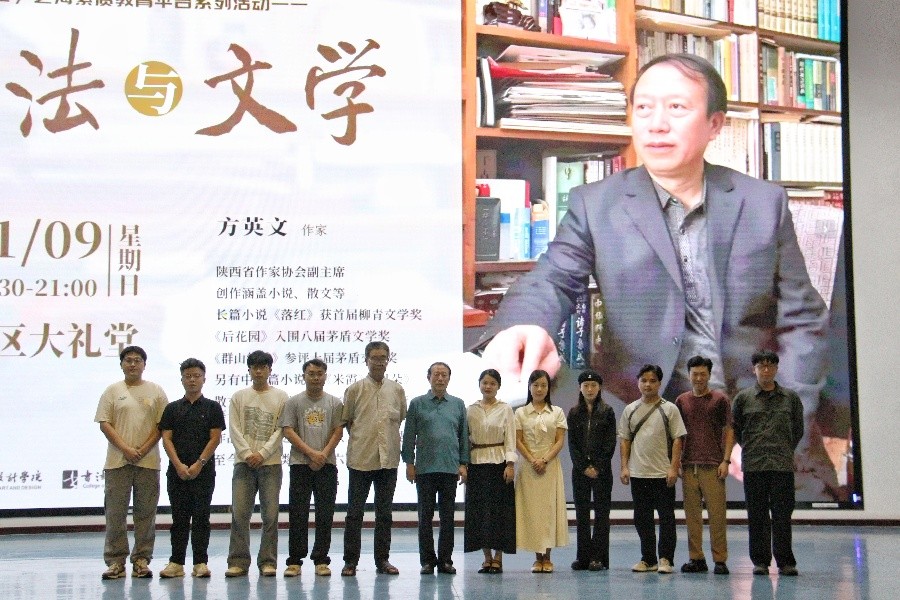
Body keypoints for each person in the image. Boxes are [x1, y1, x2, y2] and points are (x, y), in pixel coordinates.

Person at [477, 52, 835, 500]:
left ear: (715, 124)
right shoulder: (596, 203)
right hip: (637, 416)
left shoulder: (763, 203)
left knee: (798, 526)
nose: (656, 124)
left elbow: (803, 321)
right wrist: (522, 326)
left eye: (676, 108)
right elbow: (552, 279)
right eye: (643, 108)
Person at [95, 345, 168, 580]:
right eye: (128, 360)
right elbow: (105, 423)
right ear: (121, 365)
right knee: (115, 513)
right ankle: (115, 561)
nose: (133, 364)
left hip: (148, 462)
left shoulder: (156, 391)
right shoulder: (112, 391)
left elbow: (162, 425)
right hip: (117, 462)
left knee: (145, 513)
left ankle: (141, 559)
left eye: (137, 360)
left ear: (145, 364)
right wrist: (126, 449)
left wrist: (143, 449)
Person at [340, 341, 407, 576]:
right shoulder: (355, 390)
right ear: (366, 360)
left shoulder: (397, 390)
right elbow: (348, 422)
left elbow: (400, 418)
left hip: (388, 460)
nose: (379, 362)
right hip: (361, 459)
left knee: (384, 514)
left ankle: (383, 560)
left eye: (383, 358)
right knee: (354, 513)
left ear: (388, 360)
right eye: (374, 358)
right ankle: (350, 561)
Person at [732, 350, 802, 577]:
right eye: (761, 366)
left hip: (782, 465)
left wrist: (784, 449)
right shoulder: (743, 398)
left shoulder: (790, 398)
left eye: (770, 366)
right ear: (754, 370)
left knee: (782, 515)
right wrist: (753, 448)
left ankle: (785, 562)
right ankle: (760, 561)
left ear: (776, 369)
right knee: (757, 515)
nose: (766, 370)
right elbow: (737, 430)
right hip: (754, 465)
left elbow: (798, 430)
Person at [158, 358, 226, 579]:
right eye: (188, 376)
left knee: (201, 518)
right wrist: (178, 465)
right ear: (182, 379)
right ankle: (176, 562)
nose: (192, 380)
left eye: (197, 376)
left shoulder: (213, 407)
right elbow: (166, 438)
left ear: (204, 379)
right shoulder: (172, 408)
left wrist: (199, 464)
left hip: (203, 472)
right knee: (179, 518)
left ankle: (200, 563)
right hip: (177, 472)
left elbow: (215, 438)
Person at [224, 350, 288, 578]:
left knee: (270, 515)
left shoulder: (281, 397)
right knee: (240, 514)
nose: (259, 371)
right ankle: (238, 561)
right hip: (243, 464)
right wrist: (247, 453)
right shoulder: (239, 396)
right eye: (255, 367)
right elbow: (234, 428)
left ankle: (268, 561)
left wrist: (262, 453)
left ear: (270, 370)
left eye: (263, 367)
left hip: (270, 464)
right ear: (249, 370)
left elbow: (281, 429)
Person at [618, 364, 686, 574]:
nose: (648, 385)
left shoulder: (670, 409)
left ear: (659, 383)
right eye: (644, 380)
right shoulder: (630, 410)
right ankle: (648, 559)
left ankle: (666, 559)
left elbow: (677, 439)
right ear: (638, 383)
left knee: (667, 518)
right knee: (642, 518)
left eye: (652, 381)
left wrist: (673, 468)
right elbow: (625, 440)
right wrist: (624, 467)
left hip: (662, 474)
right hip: (638, 474)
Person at [402, 362, 469, 575]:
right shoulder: (417, 403)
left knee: (448, 518)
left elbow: (463, 436)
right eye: (436, 374)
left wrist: (463, 463)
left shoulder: (458, 404)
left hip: (450, 468)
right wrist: (409, 463)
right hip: (425, 469)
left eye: (444, 375)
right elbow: (408, 435)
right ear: (428, 377)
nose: (440, 378)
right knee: (425, 518)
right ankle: (427, 561)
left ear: (449, 378)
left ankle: (445, 560)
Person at [281, 358, 343, 578]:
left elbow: (338, 431)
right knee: (298, 513)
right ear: (304, 376)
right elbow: (288, 430)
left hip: (327, 464)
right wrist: (311, 453)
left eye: (319, 374)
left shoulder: (334, 402)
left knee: (325, 513)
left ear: (325, 376)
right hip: (300, 464)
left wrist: (323, 454)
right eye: (311, 373)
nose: (315, 377)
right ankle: (294, 561)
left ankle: (321, 560)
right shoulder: (294, 402)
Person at [676, 355, 734, 575]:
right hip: (689, 465)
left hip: (713, 465)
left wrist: (726, 460)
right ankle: (696, 558)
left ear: (709, 375)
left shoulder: (720, 400)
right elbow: (676, 435)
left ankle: (720, 560)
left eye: (703, 374)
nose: (699, 378)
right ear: (689, 375)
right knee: (692, 516)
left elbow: (729, 430)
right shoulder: (681, 401)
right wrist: (676, 461)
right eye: (695, 374)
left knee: (717, 515)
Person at [514, 370, 568, 573]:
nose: (539, 389)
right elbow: (518, 440)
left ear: (548, 388)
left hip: (550, 467)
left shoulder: (557, 412)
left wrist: (544, 460)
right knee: (533, 512)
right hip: (528, 468)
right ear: (529, 387)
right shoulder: (520, 413)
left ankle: (548, 557)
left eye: (543, 385)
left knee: (548, 512)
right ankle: (537, 558)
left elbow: (559, 441)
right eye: (535, 385)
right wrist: (532, 460)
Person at [464, 369, 516, 574]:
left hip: (499, 464)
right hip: (476, 465)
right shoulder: (470, 410)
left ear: (498, 386)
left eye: (492, 383)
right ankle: (486, 557)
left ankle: (498, 557)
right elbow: (465, 440)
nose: (488, 386)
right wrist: (464, 464)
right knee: (480, 513)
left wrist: (510, 465)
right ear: (479, 384)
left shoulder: (505, 409)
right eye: (485, 382)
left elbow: (510, 437)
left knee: (500, 512)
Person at [567, 370, 616, 572]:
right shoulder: (574, 413)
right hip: (580, 472)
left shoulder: (607, 411)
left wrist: (597, 466)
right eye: (586, 386)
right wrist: (583, 467)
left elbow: (610, 443)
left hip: (602, 471)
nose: (589, 389)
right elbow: (572, 444)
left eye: (593, 385)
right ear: (580, 388)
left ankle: (598, 558)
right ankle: (583, 557)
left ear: (599, 388)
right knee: (582, 515)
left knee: (602, 514)